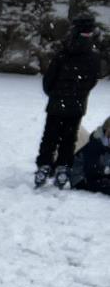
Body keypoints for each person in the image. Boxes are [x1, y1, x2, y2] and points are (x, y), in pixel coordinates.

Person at [35, 13, 101, 187]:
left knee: (50, 136)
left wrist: (55, 94)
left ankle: (45, 164)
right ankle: (63, 166)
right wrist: (79, 93)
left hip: (57, 102)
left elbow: (49, 79)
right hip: (77, 104)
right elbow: (92, 80)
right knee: (69, 137)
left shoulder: (64, 52)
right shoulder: (93, 56)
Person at [65, 116, 110, 193]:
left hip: (98, 176)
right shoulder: (95, 144)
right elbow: (92, 170)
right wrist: (106, 171)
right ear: (105, 130)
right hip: (81, 178)